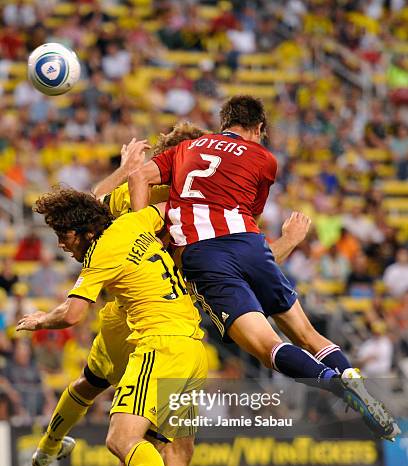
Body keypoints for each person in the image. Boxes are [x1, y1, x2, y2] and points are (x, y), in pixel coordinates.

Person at [28, 128, 312, 466]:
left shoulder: (162, 205)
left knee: (133, 432)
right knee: (159, 445)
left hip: (153, 322)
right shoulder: (187, 208)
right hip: (159, 324)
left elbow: (99, 206)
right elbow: (98, 209)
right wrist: (283, 246)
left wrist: (129, 170)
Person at [128, 95, 399, 441]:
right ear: (259, 129)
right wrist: (287, 240)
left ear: (224, 122)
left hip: (203, 255)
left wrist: (143, 233)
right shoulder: (264, 159)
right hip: (249, 245)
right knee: (309, 335)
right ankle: (356, 384)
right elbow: (249, 215)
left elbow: (138, 176)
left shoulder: (188, 147)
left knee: (268, 347)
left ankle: (335, 385)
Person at [16, 187, 207, 466]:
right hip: (193, 347)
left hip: (157, 344)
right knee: (160, 452)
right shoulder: (134, 223)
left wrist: (37, 320)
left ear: (85, 230)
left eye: (63, 234)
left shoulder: (102, 256)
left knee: (121, 441)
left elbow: (70, 315)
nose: (61, 243)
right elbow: (165, 208)